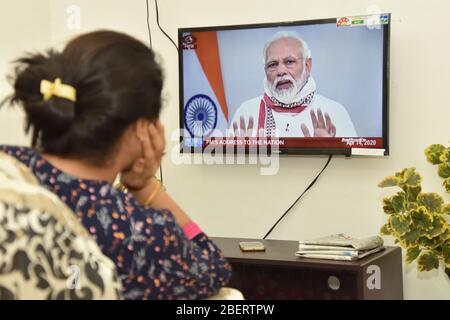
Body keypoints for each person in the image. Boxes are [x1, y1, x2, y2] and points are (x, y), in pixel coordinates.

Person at [0, 30, 231, 300]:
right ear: (142, 129)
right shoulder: (135, 233)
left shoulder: (9, 167)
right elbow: (214, 268)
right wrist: (143, 186)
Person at [230, 31, 357, 138]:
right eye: (272, 64)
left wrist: (329, 151)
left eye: (289, 62)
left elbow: (353, 166)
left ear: (307, 66)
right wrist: (244, 154)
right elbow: (229, 165)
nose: (280, 71)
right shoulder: (246, 113)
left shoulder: (334, 111)